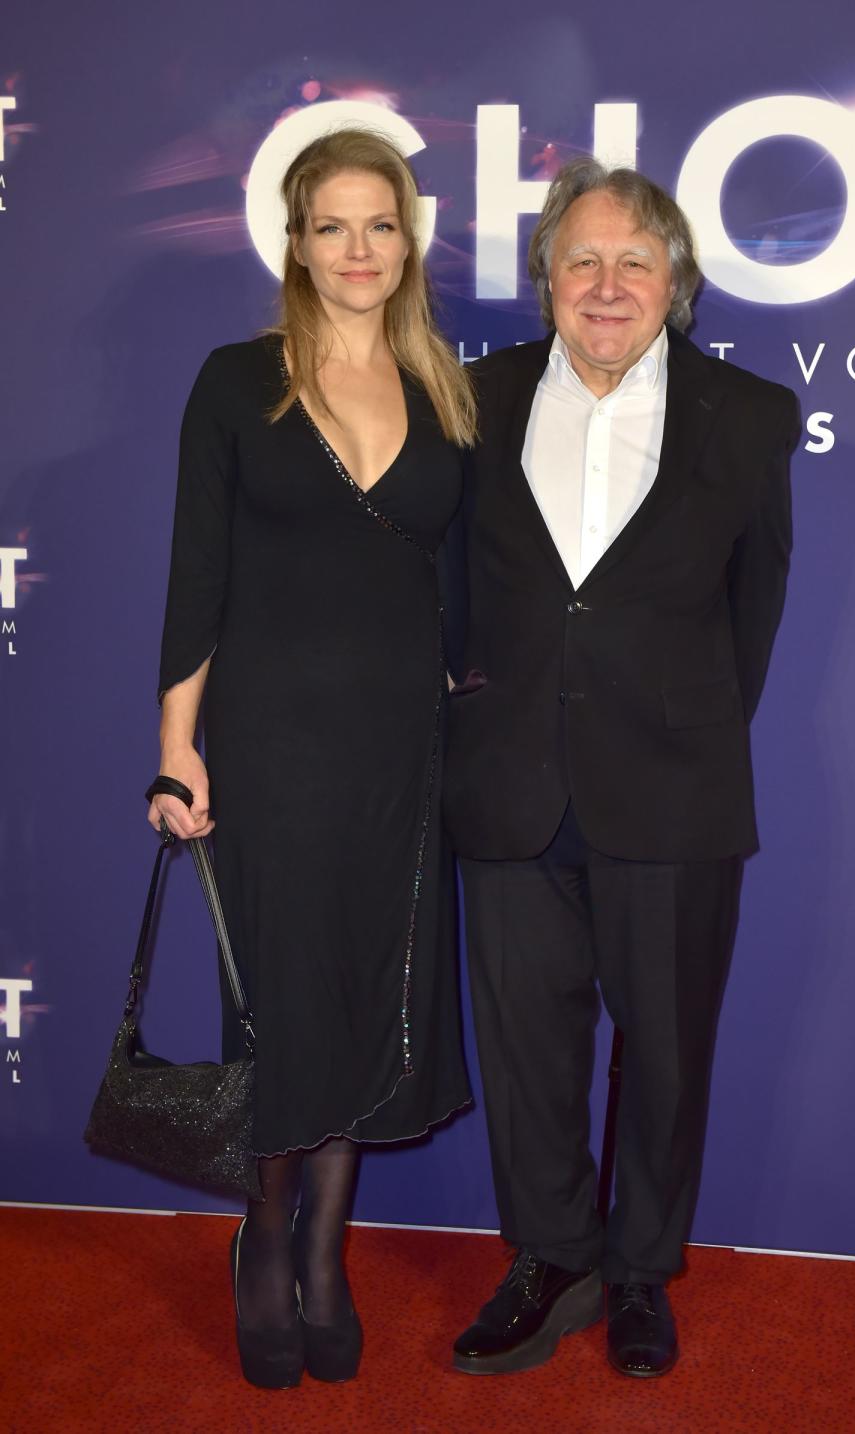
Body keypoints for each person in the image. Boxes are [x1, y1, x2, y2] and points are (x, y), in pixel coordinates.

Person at [444, 158, 799, 1379]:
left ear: (677, 283)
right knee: (527, 1047)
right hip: (506, 782)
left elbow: (756, 614)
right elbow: (447, 597)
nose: (607, 286)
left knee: (668, 1049)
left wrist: (680, 727)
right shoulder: (469, 401)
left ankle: (643, 1268)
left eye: (634, 263)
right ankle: (552, 1259)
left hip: (675, 783)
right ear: (546, 278)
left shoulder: (747, 418)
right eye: (582, 260)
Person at [148, 127, 475, 1389]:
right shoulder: (239, 382)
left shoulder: (449, 387)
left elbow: (463, 583)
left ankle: (328, 1255)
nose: (358, 249)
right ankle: (263, 1244)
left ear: (410, 240)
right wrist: (178, 747)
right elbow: (197, 577)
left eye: (379, 225)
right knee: (281, 1003)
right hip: (273, 744)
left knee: (369, 991)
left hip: (404, 748)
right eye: (332, 225)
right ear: (294, 239)